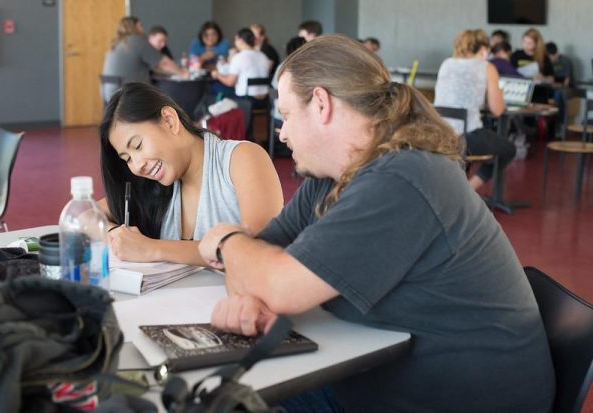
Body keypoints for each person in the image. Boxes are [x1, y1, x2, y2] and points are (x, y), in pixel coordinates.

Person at [198, 34, 554, 412]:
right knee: (221, 395)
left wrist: (226, 240)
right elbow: (265, 255)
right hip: (377, 380)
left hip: (460, 400)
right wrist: (252, 286)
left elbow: (275, 282)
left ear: (320, 103)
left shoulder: (403, 177)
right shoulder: (330, 176)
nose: (282, 133)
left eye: (286, 115)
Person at [98, 82, 283, 265]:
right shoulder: (155, 186)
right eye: (127, 159)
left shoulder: (241, 158)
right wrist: (116, 235)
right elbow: (86, 213)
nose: (137, 166)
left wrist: (152, 248)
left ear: (170, 121)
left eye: (137, 146)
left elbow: (260, 248)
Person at [435, 29, 515, 191]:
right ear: (484, 49)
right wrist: (499, 94)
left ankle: (460, 190)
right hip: (466, 137)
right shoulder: (487, 67)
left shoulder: (446, 63)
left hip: (440, 134)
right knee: (507, 149)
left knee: (475, 152)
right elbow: (497, 110)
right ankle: (468, 191)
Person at [101, 17, 186, 102]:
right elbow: (163, 63)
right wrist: (183, 72)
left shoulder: (117, 43)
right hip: (127, 96)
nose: (143, 29)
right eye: (140, 25)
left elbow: (156, 67)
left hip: (108, 94)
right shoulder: (137, 41)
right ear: (134, 27)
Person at [211, 28, 271, 134]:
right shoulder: (263, 56)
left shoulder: (239, 57)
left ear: (240, 40)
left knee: (213, 87)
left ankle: (218, 128)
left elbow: (230, 82)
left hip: (246, 100)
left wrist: (217, 75)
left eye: (235, 40)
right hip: (264, 101)